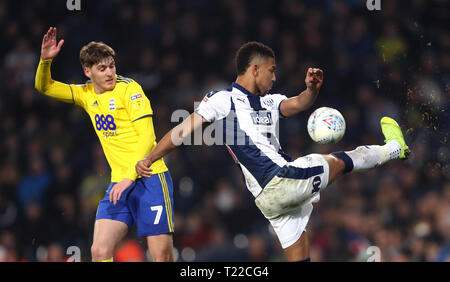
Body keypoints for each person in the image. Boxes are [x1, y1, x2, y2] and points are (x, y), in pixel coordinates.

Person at [126, 41, 409, 262]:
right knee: (343, 160)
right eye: (272, 70)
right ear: (255, 69)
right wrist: (150, 157)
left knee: (300, 254)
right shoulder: (223, 99)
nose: (275, 77)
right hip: (279, 179)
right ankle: (395, 148)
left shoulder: (271, 102)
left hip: (269, 199)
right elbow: (181, 131)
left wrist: (311, 90)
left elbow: (298, 104)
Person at [35, 27, 175, 262]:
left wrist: (130, 177)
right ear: (87, 71)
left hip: (150, 178)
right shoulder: (86, 94)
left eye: (111, 66)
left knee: (161, 256)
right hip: (119, 183)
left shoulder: (130, 90)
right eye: (102, 68)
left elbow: (146, 138)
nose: (110, 73)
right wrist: (45, 62)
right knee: (99, 251)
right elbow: (44, 86)